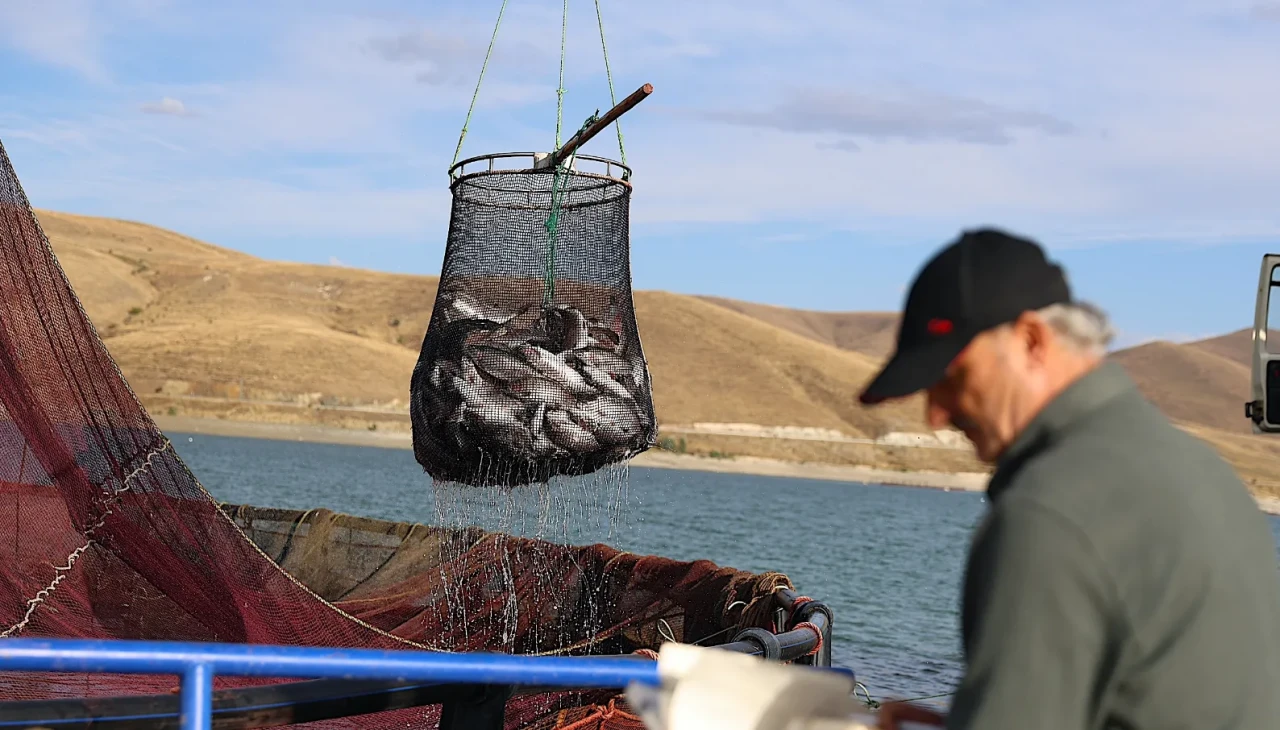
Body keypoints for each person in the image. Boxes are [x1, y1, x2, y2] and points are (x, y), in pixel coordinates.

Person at [859, 228, 1280, 730]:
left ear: (1032, 340)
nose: (935, 416)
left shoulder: (1047, 513)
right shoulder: (1200, 469)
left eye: (952, 377)